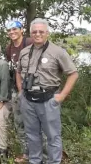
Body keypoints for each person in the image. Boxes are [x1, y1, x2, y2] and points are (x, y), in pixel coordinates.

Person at [16, 18, 78, 164]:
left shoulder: (57, 52)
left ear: (47, 33)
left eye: (41, 31)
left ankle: (54, 161)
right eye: (34, 32)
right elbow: (18, 72)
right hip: (28, 99)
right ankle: (35, 160)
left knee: (53, 136)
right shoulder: (24, 52)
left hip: (49, 99)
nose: (37, 34)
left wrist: (62, 96)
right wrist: (20, 91)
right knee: (32, 134)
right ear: (30, 33)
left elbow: (73, 73)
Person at [4, 20, 34, 163]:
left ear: (21, 30)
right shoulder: (9, 48)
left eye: (15, 29)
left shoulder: (29, 42)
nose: (12, 32)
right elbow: (15, 70)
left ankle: (43, 153)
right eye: (9, 30)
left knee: (35, 122)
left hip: (35, 89)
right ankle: (26, 153)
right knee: (19, 122)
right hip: (17, 90)